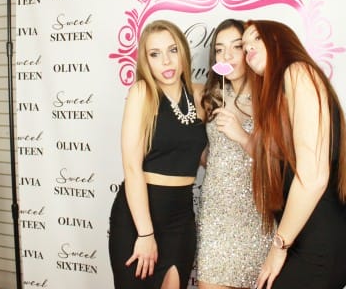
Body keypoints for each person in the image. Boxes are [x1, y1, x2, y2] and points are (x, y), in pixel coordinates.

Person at [241, 20, 346, 289]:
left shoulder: (297, 71)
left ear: (278, 40)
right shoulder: (280, 94)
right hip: (304, 240)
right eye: (245, 46)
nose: (248, 49)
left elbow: (313, 177)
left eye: (256, 39)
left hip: (322, 242)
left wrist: (278, 246)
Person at [108, 19, 208, 289]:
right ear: (146, 61)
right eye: (155, 54)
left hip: (180, 219)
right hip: (139, 217)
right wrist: (145, 233)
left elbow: (203, 156)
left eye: (172, 50)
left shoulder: (200, 95)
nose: (166, 61)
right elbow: (132, 167)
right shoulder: (142, 93)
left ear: (183, 51)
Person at [196, 19, 273, 289]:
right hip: (216, 217)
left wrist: (241, 135)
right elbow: (204, 154)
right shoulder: (211, 97)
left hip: (257, 216)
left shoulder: (269, 98)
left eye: (236, 47)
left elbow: (278, 161)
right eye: (219, 49)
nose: (226, 56)